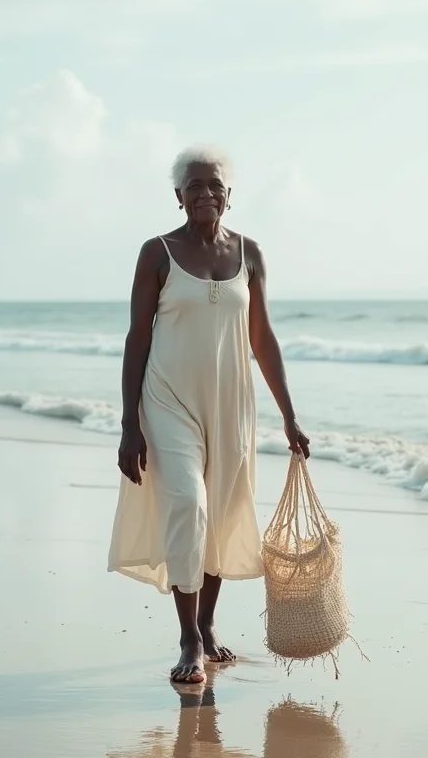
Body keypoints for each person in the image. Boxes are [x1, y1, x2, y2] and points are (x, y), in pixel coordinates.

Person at [108, 145, 310, 684]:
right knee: (188, 507)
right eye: (193, 186)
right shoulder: (157, 253)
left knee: (220, 515)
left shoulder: (251, 254)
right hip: (168, 398)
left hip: (232, 403)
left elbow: (262, 338)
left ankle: (210, 623)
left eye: (213, 185)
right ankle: (189, 638)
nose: (204, 193)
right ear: (178, 197)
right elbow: (137, 336)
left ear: (229, 195)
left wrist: (288, 415)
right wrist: (129, 422)